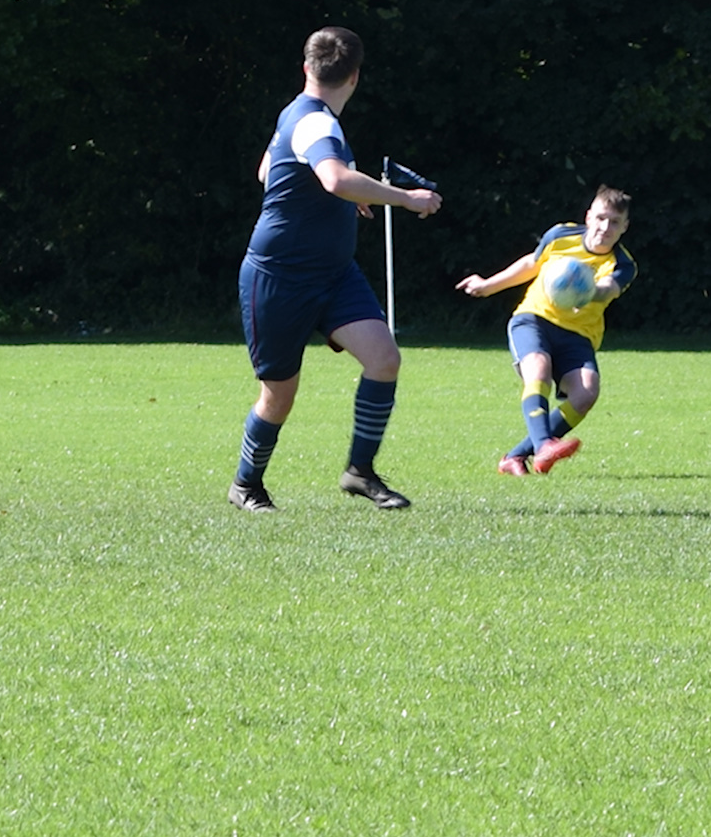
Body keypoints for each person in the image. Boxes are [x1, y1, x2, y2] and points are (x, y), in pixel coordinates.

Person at [229, 26, 442, 512]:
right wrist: (405, 199)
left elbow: (269, 171)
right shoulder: (316, 124)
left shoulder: (300, 115)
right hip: (278, 276)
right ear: (356, 76)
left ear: (307, 68)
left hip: (332, 273)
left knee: (384, 359)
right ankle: (246, 484)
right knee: (279, 395)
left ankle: (359, 472)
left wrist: (341, 203)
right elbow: (335, 177)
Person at [456, 185, 635, 476]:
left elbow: (607, 289)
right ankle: (543, 447)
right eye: (601, 218)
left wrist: (583, 290)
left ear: (625, 227)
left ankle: (515, 456)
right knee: (538, 367)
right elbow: (532, 263)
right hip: (534, 319)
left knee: (587, 392)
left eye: (615, 222)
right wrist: (488, 285)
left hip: (578, 335)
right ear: (589, 217)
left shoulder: (623, 264)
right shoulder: (560, 235)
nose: (606, 227)